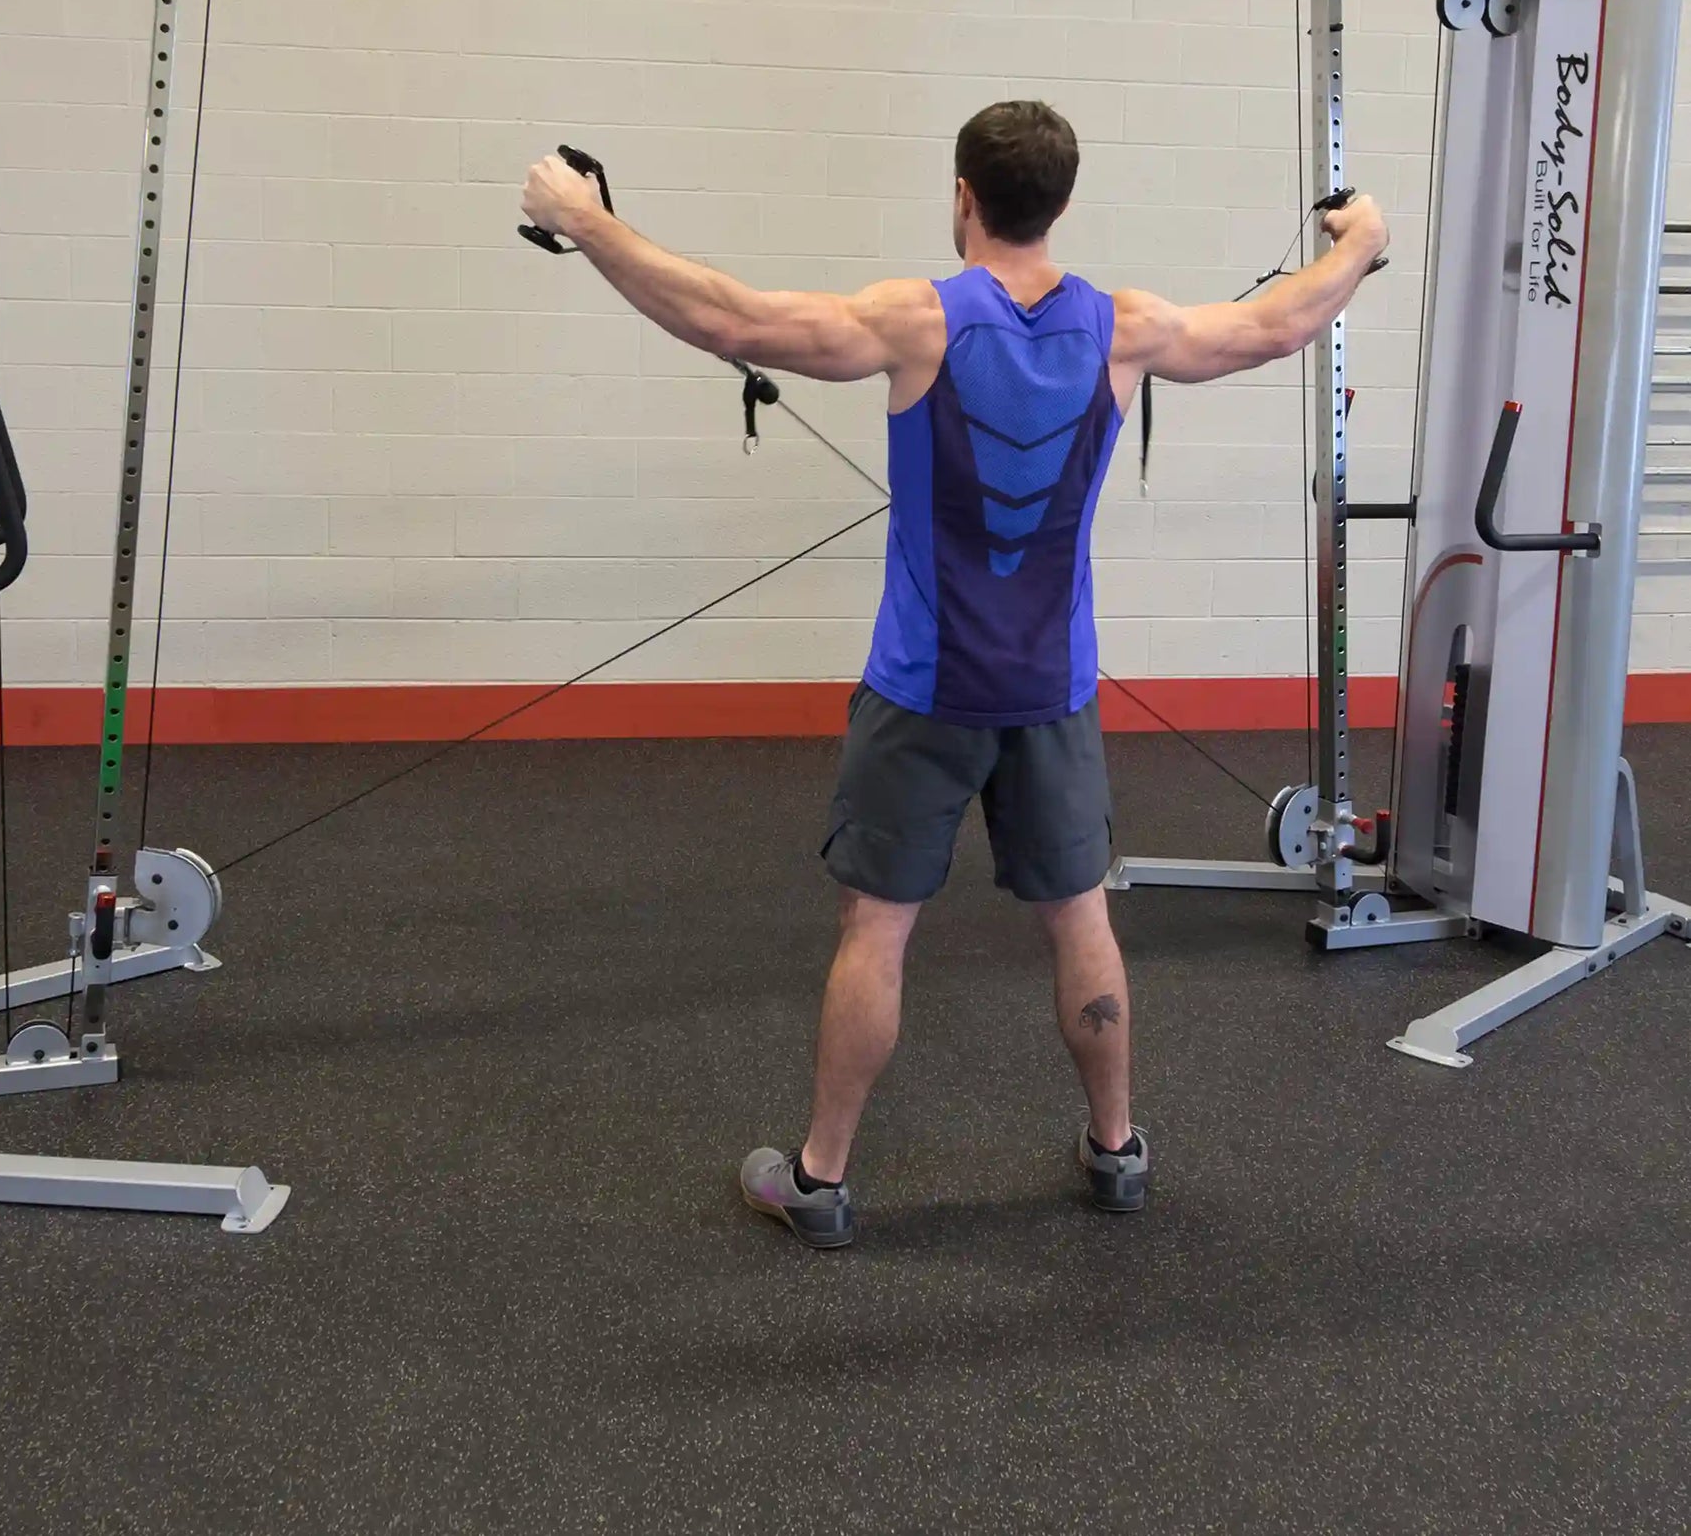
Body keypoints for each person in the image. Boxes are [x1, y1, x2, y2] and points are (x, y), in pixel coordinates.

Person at [519, 101, 1389, 1248]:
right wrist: (1356, 244)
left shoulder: (914, 320)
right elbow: (1274, 326)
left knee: (875, 929)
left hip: (922, 688)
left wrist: (584, 221)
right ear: (1061, 203)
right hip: (1052, 691)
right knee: (1079, 916)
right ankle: (1115, 1150)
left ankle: (821, 1178)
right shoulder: (1124, 327)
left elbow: (727, 317)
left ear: (961, 196)